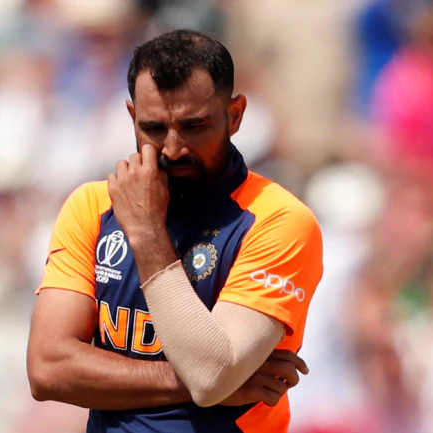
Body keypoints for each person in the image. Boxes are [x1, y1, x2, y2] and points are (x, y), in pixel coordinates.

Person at [26, 29, 323, 433]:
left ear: (235, 115)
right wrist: (211, 379)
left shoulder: (278, 220)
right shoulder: (92, 206)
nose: (172, 148)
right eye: (153, 127)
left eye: (194, 126)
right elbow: (47, 369)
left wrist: (147, 233)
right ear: (132, 115)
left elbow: (210, 378)